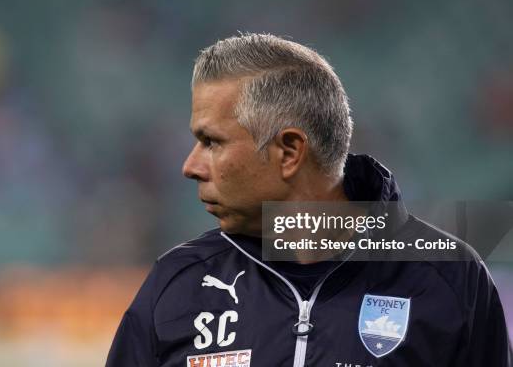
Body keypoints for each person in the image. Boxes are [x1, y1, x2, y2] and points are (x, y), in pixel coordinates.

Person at [105, 33, 512, 366]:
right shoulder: (177, 284)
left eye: (211, 142)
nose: (190, 166)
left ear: (289, 152)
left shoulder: (449, 279)